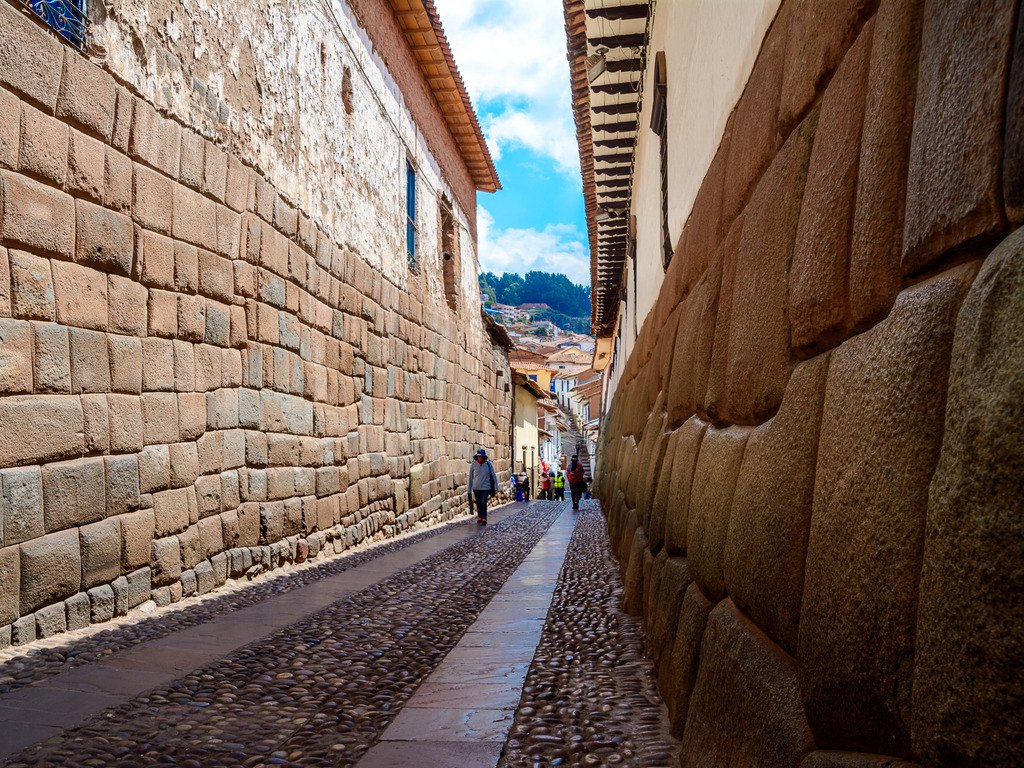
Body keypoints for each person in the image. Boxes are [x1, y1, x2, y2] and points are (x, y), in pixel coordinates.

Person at [468, 448, 498, 525]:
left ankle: (484, 518)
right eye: (479, 456)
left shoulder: (488, 464)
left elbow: (494, 475)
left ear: (484, 457)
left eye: (481, 456)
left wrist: (496, 486)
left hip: (485, 487)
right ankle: (480, 517)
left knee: (483, 501)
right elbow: (470, 477)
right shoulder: (473, 465)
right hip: (476, 488)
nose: (480, 458)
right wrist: (469, 490)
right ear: (477, 457)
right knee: (478, 502)